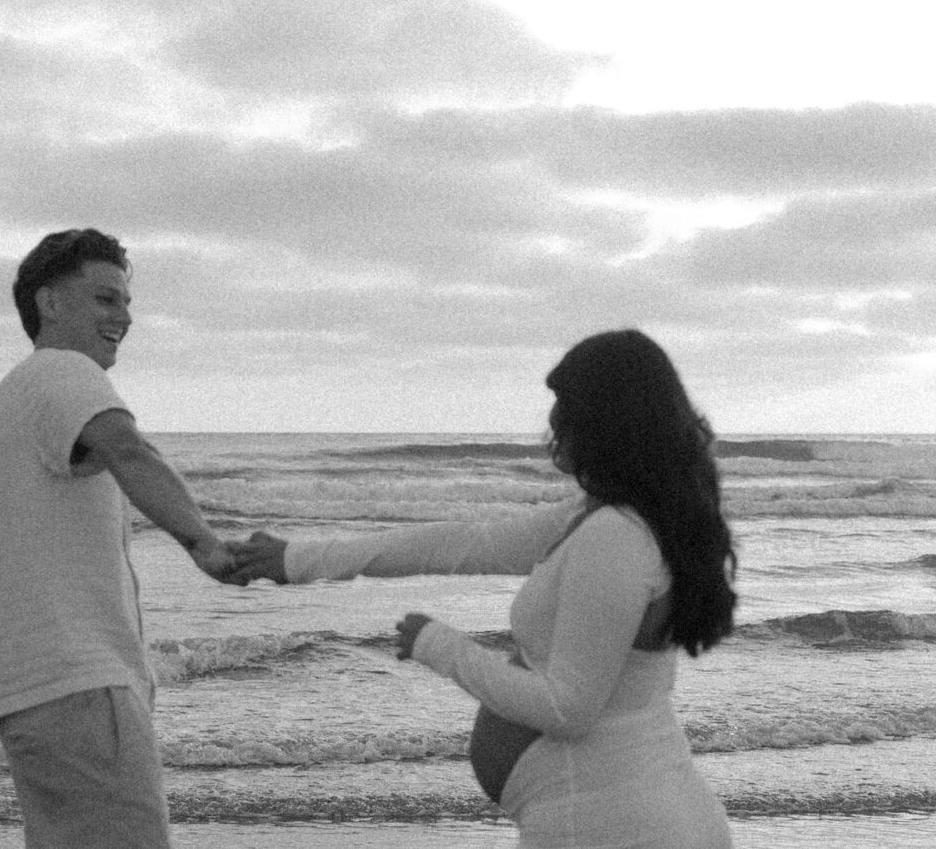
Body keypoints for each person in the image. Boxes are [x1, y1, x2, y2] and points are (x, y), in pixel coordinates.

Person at [230, 329, 737, 848]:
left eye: (565, 405)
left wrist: (439, 645)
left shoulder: (615, 537)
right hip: (612, 813)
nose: (554, 422)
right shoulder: (607, 519)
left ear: (605, 419)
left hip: (615, 823)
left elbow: (567, 710)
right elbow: (463, 543)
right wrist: (297, 559)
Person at [0, 227, 240, 849]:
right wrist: (206, 545)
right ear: (50, 303)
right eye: (105, 299)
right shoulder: (62, 371)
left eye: (126, 302)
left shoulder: (25, 388)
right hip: (76, 679)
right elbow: (129, 450)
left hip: (35, 685)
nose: (124, 317)